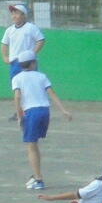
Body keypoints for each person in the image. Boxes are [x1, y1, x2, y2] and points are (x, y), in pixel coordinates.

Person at [12, 50, 72, 190]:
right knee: (34, 145)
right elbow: (52, 93)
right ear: (33, 63)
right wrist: (63, 110)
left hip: (31, 113)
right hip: (45, 111)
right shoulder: (41, 76)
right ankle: (36, 175)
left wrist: (19, 116)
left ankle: (38, 180)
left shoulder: (17, 78)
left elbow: (17, 97)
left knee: (31, 146)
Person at [1, 4, 45, 120]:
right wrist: (5, 57)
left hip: (29, 63)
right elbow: (4, 44)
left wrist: (32, 54)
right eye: (13, 13)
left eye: (16, 13)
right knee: (18, 89)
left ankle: (30, 111)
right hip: (15, 64)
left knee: (30, 87)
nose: (14, 16)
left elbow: (41, 40)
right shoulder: (9, 30)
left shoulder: (31, 28)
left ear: (23, 15)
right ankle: (20, 112)